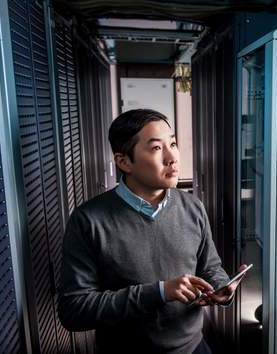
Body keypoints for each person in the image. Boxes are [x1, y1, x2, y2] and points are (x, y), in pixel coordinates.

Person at [58, 109, 246, 354]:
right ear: (124, 161)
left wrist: (222, 286)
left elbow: (209, 266)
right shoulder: (88, 220)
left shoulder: (192, 206)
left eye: (173, 143)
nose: (172, 157)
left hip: (194, 347)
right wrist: (158, 292)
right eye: (157, 148)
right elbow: (74, 311)